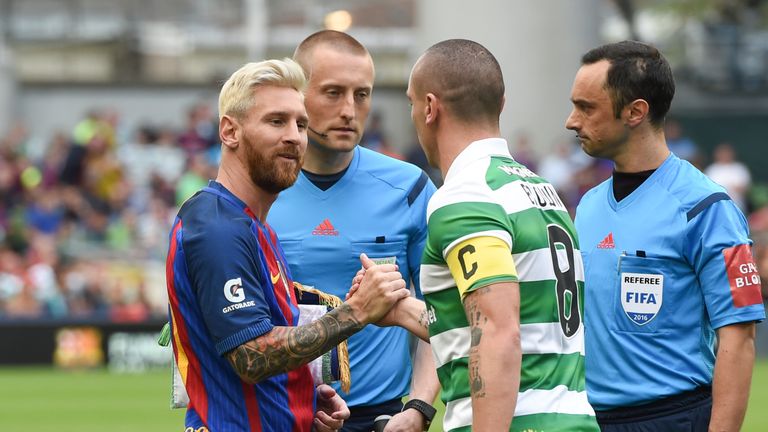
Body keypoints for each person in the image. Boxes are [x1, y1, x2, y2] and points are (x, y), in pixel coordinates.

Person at [356, 38, 598, 431]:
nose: (414, 113)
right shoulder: (538, 189)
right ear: (500, 104)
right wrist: (401, 311)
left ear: (431, 108)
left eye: (412, 103)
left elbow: (499, 331)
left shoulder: (465, 196)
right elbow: (507, 319)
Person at [165, 58, 410, 432]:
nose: (294, 137)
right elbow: (251, 356)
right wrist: (357, 312)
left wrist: (301, 399)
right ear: (229, 132)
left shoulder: (255, 227)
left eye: (301, 124)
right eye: (276, 121)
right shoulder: (217, 228)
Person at [565, 40, 766, 431]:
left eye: (586, 107)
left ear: (635, 112)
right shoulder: (587, 206)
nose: (571, 121)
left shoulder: (707, 209)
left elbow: (739, 340)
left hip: (671, 418)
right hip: (588, 420)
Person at [267, 30, 440, 432]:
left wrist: (417, 409)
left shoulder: (410, 189)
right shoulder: (260, 191)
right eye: (333, 92)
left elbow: (442, 313)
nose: (349, 109)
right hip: (279, 413)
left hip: (380, 419)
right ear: (298, 93)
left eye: (361, 94)